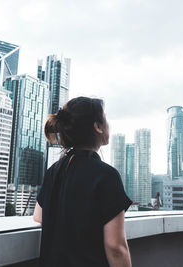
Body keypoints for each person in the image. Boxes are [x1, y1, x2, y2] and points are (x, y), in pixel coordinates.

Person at [33, 96, 133, 267]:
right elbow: (116, 247)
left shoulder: (53, 171)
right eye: (105, 118)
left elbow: (39, 216)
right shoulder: (107, 175)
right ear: (98, 126)